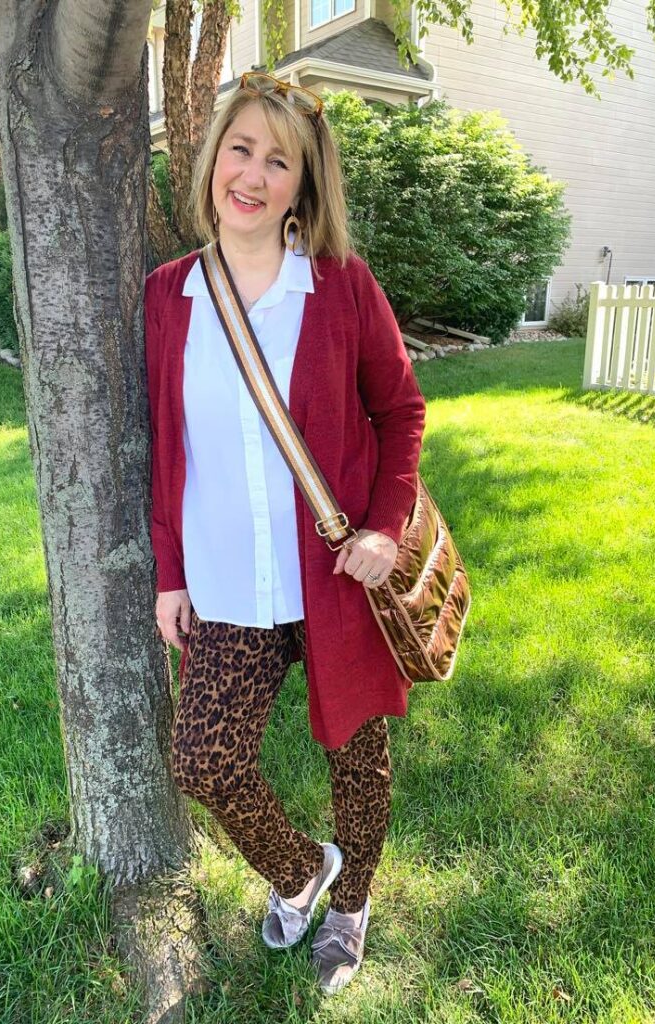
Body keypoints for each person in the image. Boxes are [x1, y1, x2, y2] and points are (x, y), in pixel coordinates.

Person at [144, 71, 426, 995]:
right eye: (241, 149)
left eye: (279, 161)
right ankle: (304, 871)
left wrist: (385, 527)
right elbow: (166, 446)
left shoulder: (340, 285)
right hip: (227, 579)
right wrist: (170, 575)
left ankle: (352, 907)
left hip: (335, 574)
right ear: (212, 157)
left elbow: (401, 408)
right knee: (202, 759)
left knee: (360, 752)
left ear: (303, 185)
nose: (254, 176)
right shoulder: (170, 295)